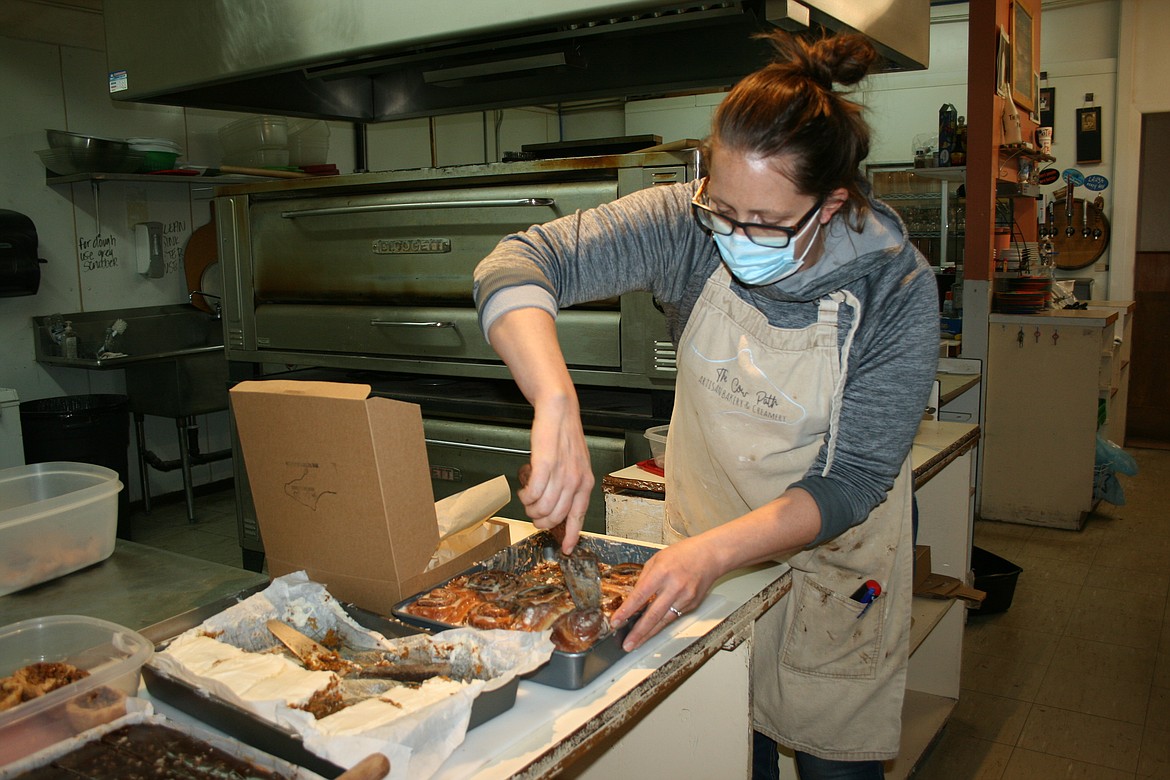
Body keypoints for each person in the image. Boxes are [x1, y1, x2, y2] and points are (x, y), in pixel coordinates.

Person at [473, 30, 939, 780]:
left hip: (834, 564)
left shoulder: (896, 290)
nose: (733, 238)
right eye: (720, 209)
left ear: (832, 206)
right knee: (723, 743)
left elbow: (851, 481)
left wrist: (716, 552)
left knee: (833, 766)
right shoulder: (690, 228)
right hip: (703, 553)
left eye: (762, 224)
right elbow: (519, 262)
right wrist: (555, 399)